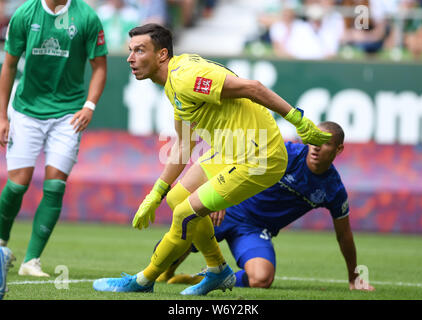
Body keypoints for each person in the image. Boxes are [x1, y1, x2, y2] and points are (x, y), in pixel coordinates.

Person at [93, 23, 331, 296]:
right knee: (176, 199)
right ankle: (218, 270)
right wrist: (157, 192)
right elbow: (184, 145)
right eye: (130, 50)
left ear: (161, 55)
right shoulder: (174, 84)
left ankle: (143, 281)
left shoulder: (185, 78)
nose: (130, 58)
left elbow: (253, 87)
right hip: (231, 150)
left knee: (184, 214)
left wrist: (298, 120)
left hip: (259, 155)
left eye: (139, 50)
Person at [157, 122, 375, 291]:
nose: (316, 147)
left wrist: (354, 277)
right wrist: (217, 198)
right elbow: (232, 159)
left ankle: (203, 278)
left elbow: (344, 235)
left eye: (325, 142)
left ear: (339, 149)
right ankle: (167, 271)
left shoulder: (333, 189)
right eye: (313, 139)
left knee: (262, 279)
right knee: (171, 246)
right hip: (229, 209)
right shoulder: (284, 154)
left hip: (254, 230)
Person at [0, 0, 107, 277]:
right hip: (26, 111)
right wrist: (2, 116)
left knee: (55, 185)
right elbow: (9, 65)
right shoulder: (25, 14)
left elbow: (99, 66)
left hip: (68, 114)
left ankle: (31, 261)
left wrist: (89, 106)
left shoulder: (86, 17)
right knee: (16, 185)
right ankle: (0, 244)